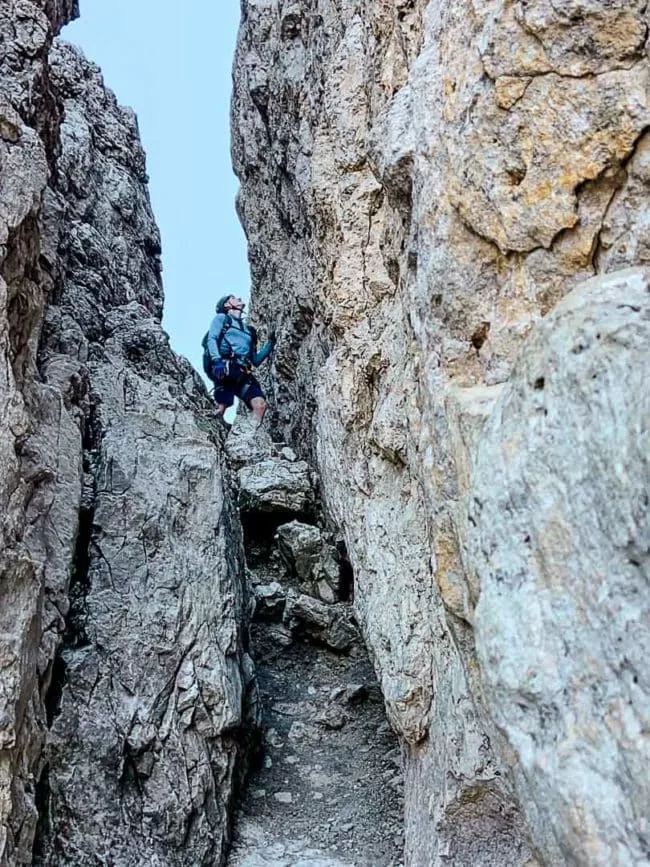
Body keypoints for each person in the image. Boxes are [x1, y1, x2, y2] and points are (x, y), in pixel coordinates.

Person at [204, 294, 275, 423]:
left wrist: (270, 344)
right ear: (226, 305)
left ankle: (251, 434)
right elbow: (212, 339)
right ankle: (213, 421)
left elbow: (255, 360)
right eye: (233, 297)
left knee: (260, 405)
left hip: (243, 372)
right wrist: (216, 360)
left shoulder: (249, 331)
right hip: (225, 367)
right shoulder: (222, 318)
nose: (239, 298)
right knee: (221, 407)